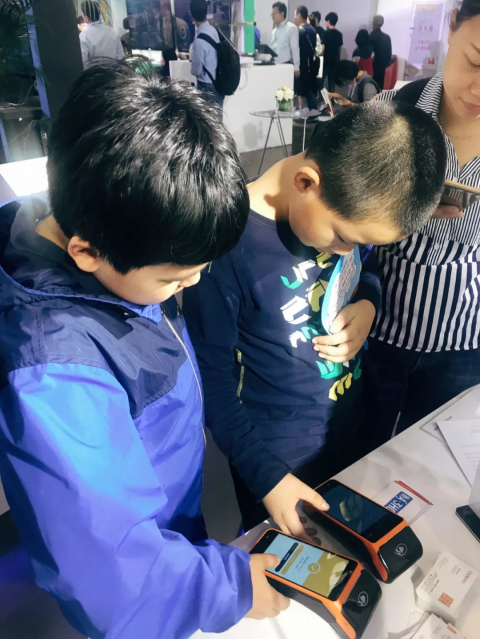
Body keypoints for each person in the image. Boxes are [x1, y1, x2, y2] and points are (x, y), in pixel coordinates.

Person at [0, 64, 290, 639]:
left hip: (172, 533)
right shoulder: (54, 374)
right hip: (146, 583)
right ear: (85, 253)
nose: (191, 285)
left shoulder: (116, 225)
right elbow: (108, 573)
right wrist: (227, 586)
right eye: (174, 279)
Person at [183, 101, 447, 534]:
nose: (346, 251)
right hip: (277, 460)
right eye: (342, 238)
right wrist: (267, 477)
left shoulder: (347, 209)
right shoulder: (227, 247)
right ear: (306, 182)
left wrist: (368, 302)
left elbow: (367, 263)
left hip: (350, 427)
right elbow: (209, 381)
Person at [363, 0, 480, 451]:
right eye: (475, 61)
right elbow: (338, 217)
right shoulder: (390, 113)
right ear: (452, 24)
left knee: (430, 465)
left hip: (463, 343)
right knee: (353, 459)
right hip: (374, 329)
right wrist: (399, 211)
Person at [189, 0, 224, 109]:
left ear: (192, 16)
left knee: (206, 118)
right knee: (216, 117)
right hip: (218, 83)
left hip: (206, 87)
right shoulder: (213, 31)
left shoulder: (199, 41)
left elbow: (196, 70)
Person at [79, 1, 124, 68]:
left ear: (85, 17)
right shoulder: (112, 31)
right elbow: (121, 57)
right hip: (114, 72)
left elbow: (84, 63)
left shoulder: (83, 36)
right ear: (100, 14)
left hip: (95, 73)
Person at [294, 5, 318, 112]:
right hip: (311, 64)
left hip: (302, 64)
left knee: (301, 90)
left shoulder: (299, 31)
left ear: (299, 15)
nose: (294, 18)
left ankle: (301, 111)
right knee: (310, 89)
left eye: (295, 15)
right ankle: (313, 112)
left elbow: (296, 49)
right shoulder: (312, 29)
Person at [271, 2, 300, 78]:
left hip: (285, 65)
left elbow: (295, 49)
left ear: (282, 13)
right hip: (274, 65)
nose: (272, 16)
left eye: (274, 14)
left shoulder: (291, 28)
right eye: (272, 14)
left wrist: (296, 67)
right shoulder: (275, 30)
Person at [322, 11, 343, 92]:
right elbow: (339, 49)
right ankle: (332, 99)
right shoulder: (339, 34)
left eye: (326, 21)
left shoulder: (325, 34)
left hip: (325, 62)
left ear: (329, 21)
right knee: (332, 84)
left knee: (320, 83)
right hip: (335, 62)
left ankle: (321, 98)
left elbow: (323, 48)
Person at [370, 14, 392, 91]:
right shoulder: (387, 37)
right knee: (379, 88)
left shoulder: (371, 36)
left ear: (373, 23)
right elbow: (389, 55)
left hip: (371, 68)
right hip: (382, 67)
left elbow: (368, 54)